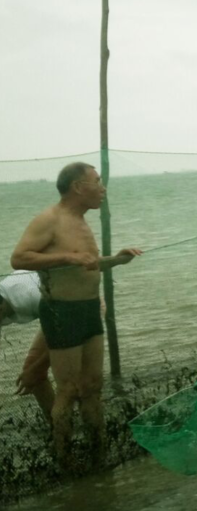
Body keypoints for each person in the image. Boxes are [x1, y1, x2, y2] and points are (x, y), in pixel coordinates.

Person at [9, 162, 141, 466]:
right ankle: (64, 460)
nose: (103, 187)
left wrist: (117, 260)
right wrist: (68, 256)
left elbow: (86, 264)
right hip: (62, 311)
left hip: (89, 308)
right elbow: (19, 258)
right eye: (98, 181)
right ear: (79, 187)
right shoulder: (50, 219)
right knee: (67, 390)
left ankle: (99, 453)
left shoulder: (81, 220)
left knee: (93, 386)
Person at [0, 269, 54, 421]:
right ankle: (55, 423)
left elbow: (63, 337)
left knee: (71, 377)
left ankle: (67, 427)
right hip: (53, 313)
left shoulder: (27, 297)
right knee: (33, 369)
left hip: (79, 310)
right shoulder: (3, 298)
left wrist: (36, 369)